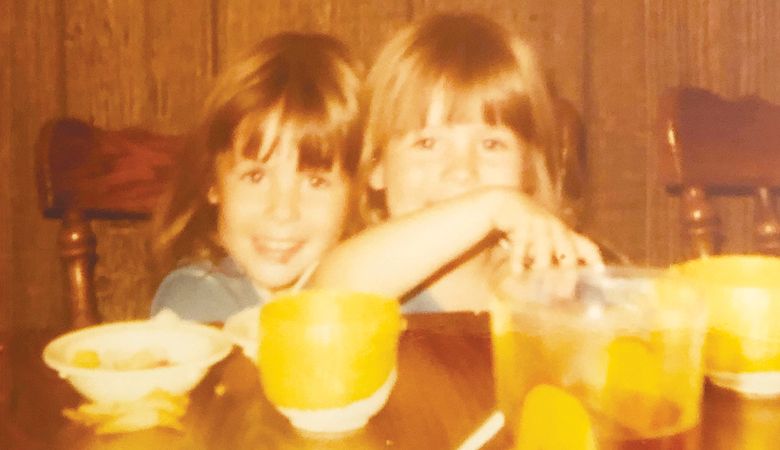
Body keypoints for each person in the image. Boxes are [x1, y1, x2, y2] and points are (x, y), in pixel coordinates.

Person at [310, 13, 602, 312]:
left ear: (527, 169)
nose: (461, 171)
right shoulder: (363, 271)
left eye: (491, 144)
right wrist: (493, 205)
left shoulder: (538, 282)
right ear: (376, 166)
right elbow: (324, 300)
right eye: (428, 143)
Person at [149, 32, 362, 322]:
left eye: (315, 181)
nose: (283, 212)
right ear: (212, 182)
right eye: (256, 176)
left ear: (355, 192)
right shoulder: (195, 299)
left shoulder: (374, 285)